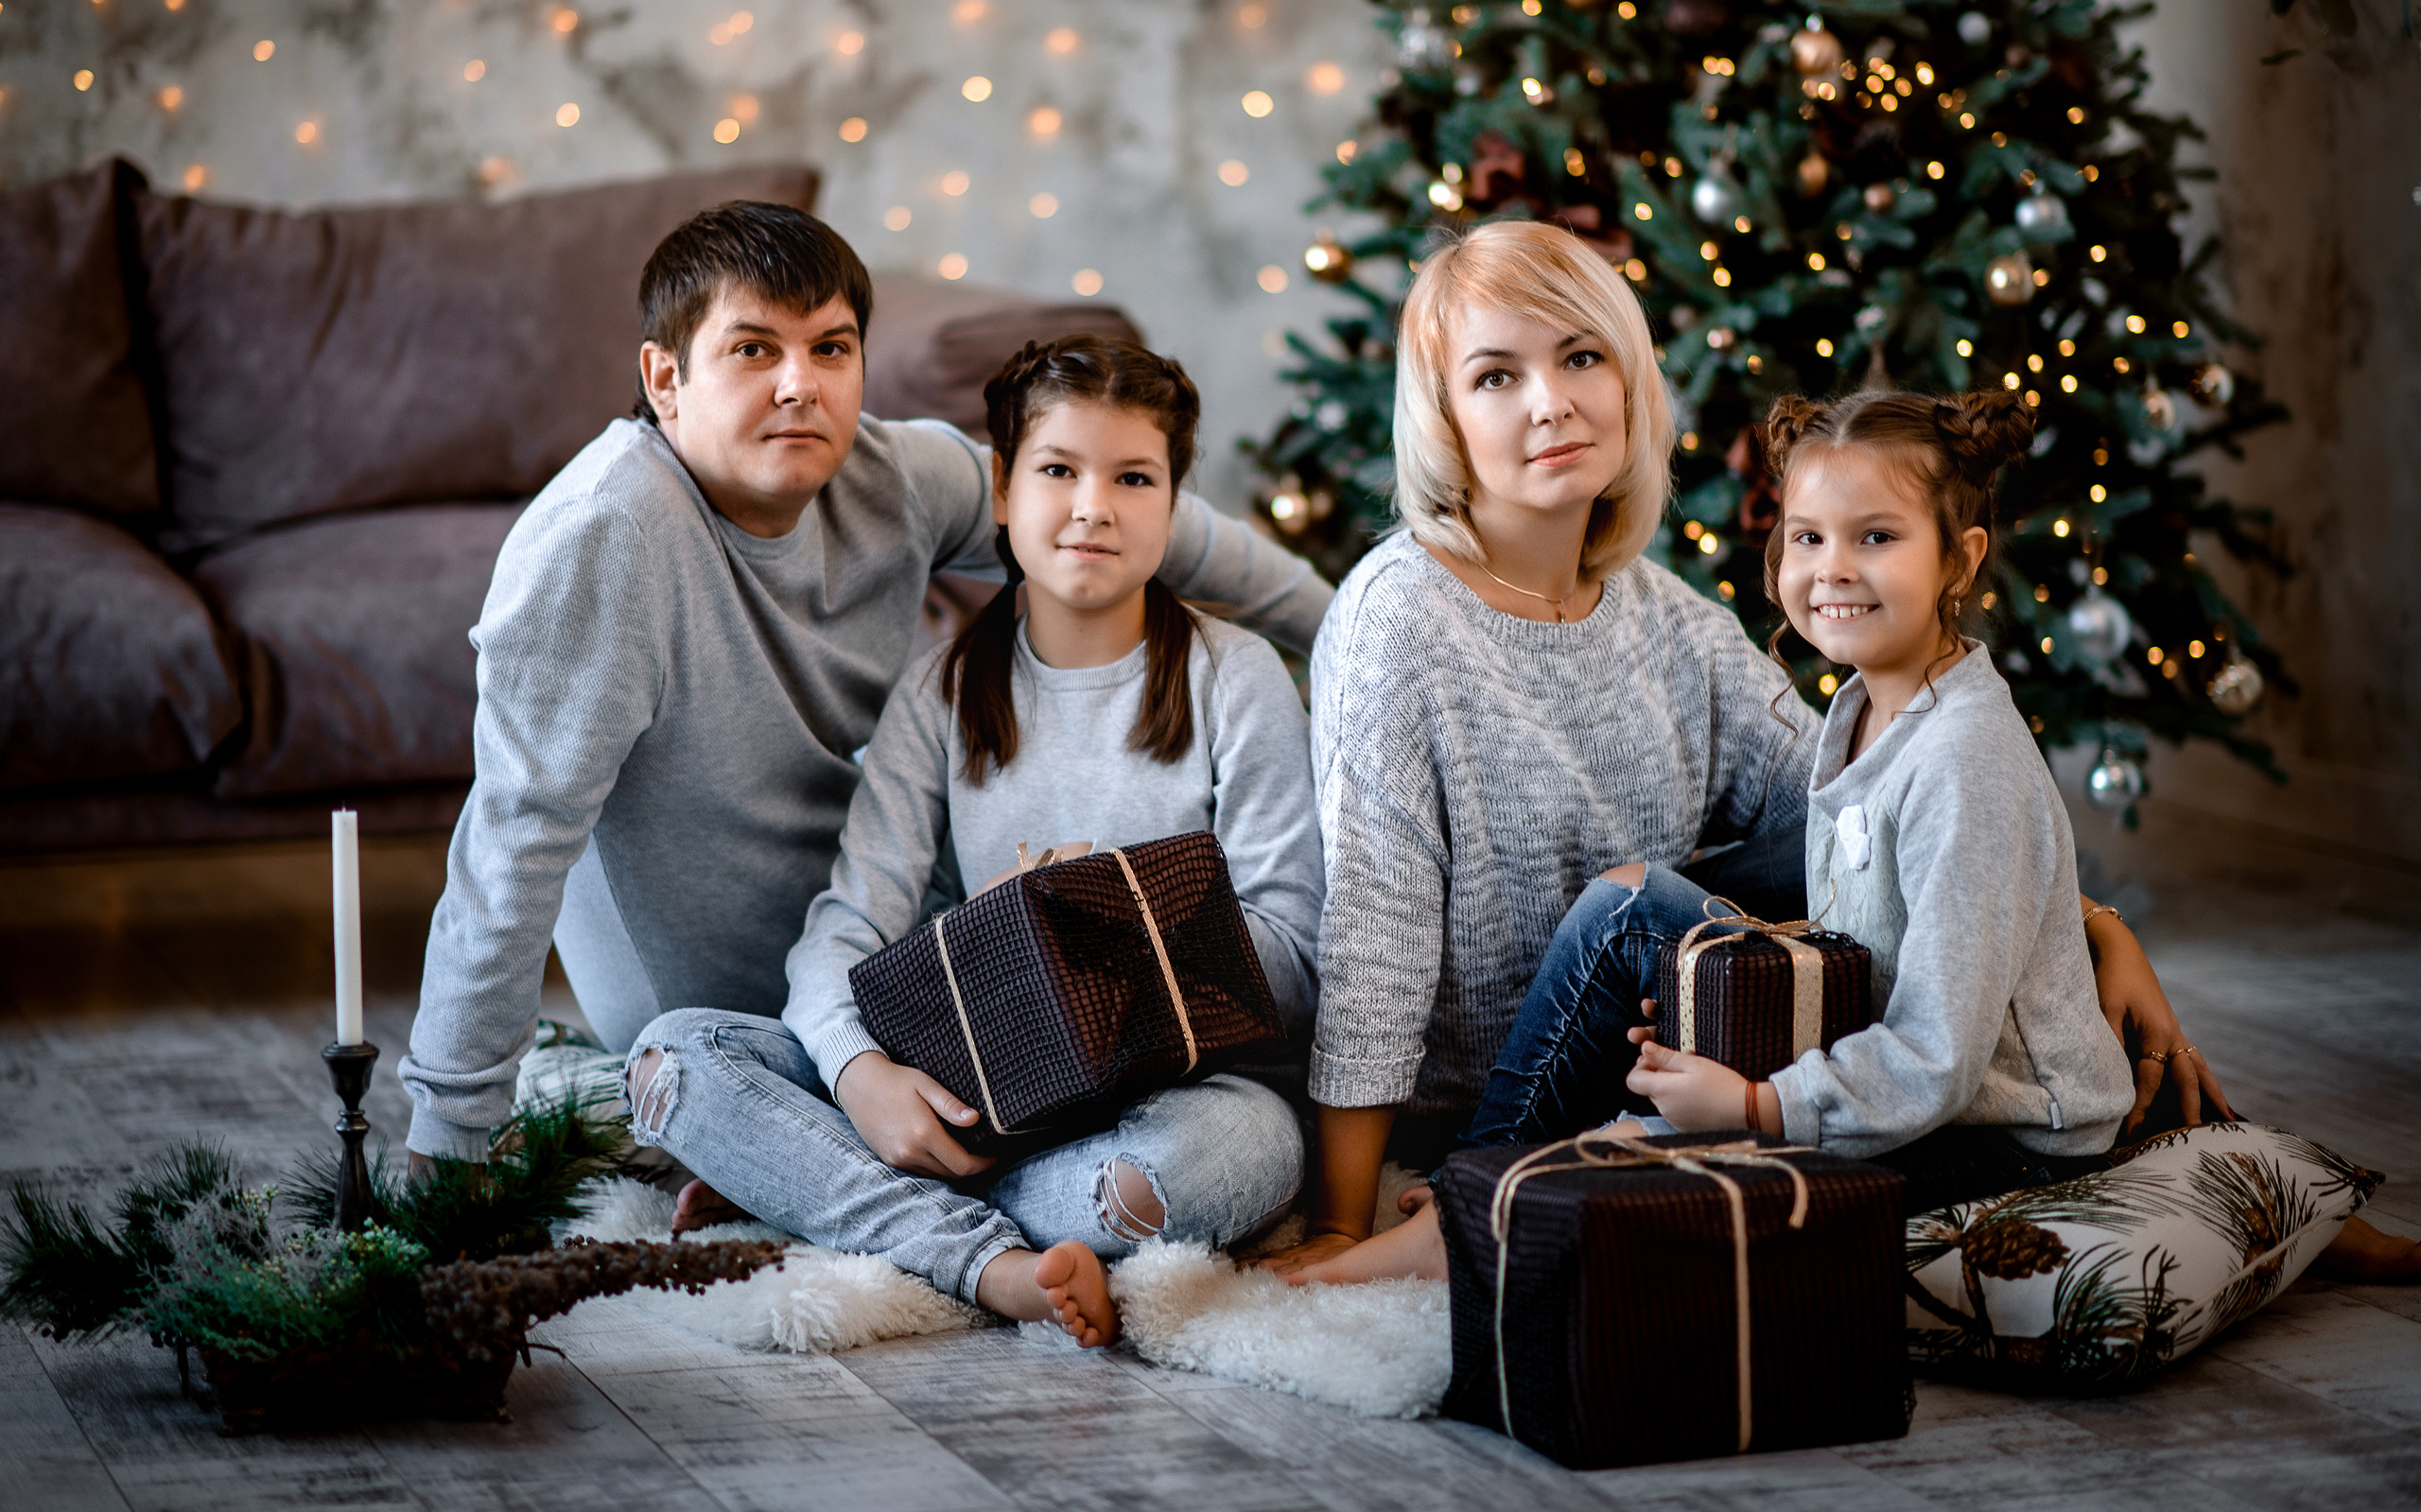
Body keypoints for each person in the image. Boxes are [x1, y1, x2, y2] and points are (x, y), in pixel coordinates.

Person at [1260, 219, 2225, 1281]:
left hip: (1666, 1056)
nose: (1551, 402)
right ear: (1443, 418)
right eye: (1496, 376)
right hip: (1493, 1099)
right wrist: (1340, 1218)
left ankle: (2145, 1148)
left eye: (1580, 357)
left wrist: (2091, 929)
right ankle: (1491, 1198)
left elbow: (1883, 811)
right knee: (1633, 906)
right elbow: (1375, 931)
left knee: (1823, 819)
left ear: (1629, 381)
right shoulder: (1397, 619)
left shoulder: (1666, 618)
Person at [1289, 385, 2420, 1284]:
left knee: (1654, 1157)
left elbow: (1935, 1055)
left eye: (1875, 537)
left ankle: (1466, 1215)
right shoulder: (1865, 708)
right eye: (1806, 537)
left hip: (2003, 1140)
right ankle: (1484, 1194)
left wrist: (1755, 1107)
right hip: (1914, 1089)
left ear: (1960, 559)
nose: (1831, 570)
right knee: (1645, 946)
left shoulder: (1964, 759)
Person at [396, 204, 1329, 1171]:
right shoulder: (606, 537)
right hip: (725, 1016)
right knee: (691, 1077)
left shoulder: (894, 477)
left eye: (830, 348)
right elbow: (510, 847)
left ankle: (821, 1163)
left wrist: (1347, 634)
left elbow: (1124, 517)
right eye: (753, 350)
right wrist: (448, 1135)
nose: (800, 384)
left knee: (1194, 1138)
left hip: (894, 968)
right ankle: (652, 1111)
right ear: (665, 379)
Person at [618, 337, 1321, 1345]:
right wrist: (860, 1076)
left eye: (1134, 478)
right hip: (978, 1086)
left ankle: (861, 1202)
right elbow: (843, 929)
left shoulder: (1236, 678)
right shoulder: (941, 690)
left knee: (1209, 1166)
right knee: (672, 1060)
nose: (1093, 507)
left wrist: (1110, 918)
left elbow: (1294, 958)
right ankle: (993, 1261)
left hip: (1177, 1101)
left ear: (1172, 503)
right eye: (1058, 470)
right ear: (1001, 488)